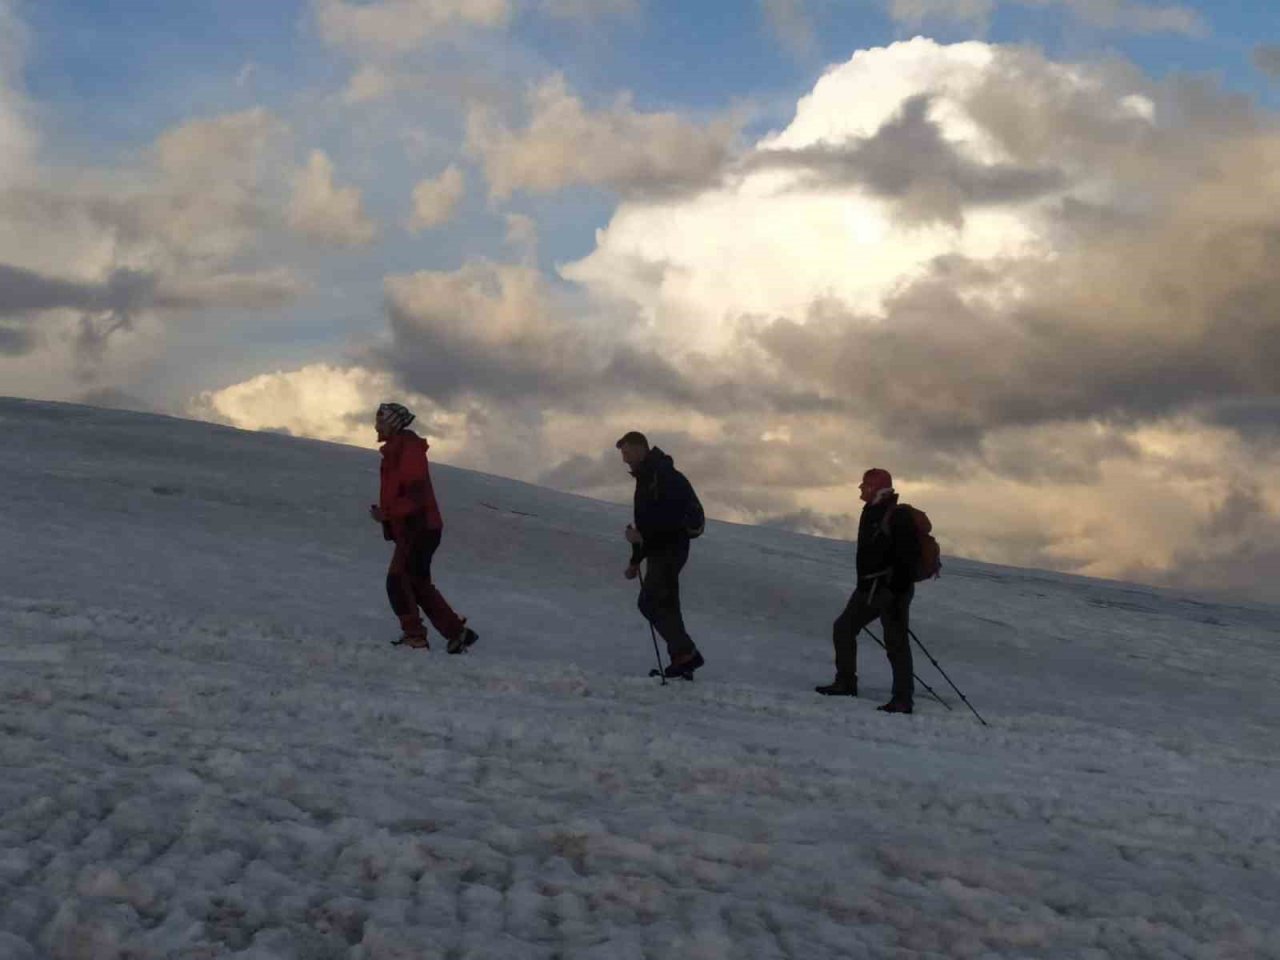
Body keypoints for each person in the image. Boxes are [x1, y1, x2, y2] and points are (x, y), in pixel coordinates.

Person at [369, 402, 477, 654]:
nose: (376, 427)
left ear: (393, 424)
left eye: (381, 422)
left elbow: (414, 496)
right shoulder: (397, 451)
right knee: (417, 582)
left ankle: (415, 637)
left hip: (418, 528)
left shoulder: (408, 451)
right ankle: (456, 633)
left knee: (397, 580)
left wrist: (386, 514)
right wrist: (387, 517)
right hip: (417, 527)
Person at [816, 468, 917, 713]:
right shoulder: (874, 510)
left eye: (865, 485)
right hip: (870, 588)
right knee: (844, 628)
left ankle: (902, 699)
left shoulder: (896, 516)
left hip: (890, 591)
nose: (861, 489)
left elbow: (907, 559)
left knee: (895, 642)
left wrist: (894, 590)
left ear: (876, 488)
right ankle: (846, 682)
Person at [617, 431, 705, 679]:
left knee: (649, 602)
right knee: (667, 604)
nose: (624, 459)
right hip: (664, 549)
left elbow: (666, 520)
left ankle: (687, 653)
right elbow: (646, 523)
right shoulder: (650, 476)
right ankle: (681, 663)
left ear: (639, 449)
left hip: (669, 549)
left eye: (626, 453)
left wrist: (640, 539)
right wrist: (636, 560)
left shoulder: (660, 476)